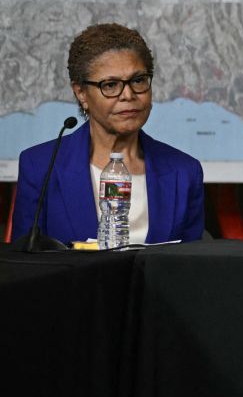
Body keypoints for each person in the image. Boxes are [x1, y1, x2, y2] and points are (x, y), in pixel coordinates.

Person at [14, 23, 205, 245]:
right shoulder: (41, 166)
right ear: (81, 93)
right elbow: (23, 264)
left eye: (138, 80)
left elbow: (192, 267)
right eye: (111, 85)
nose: (128, 95)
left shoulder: (184, 171)